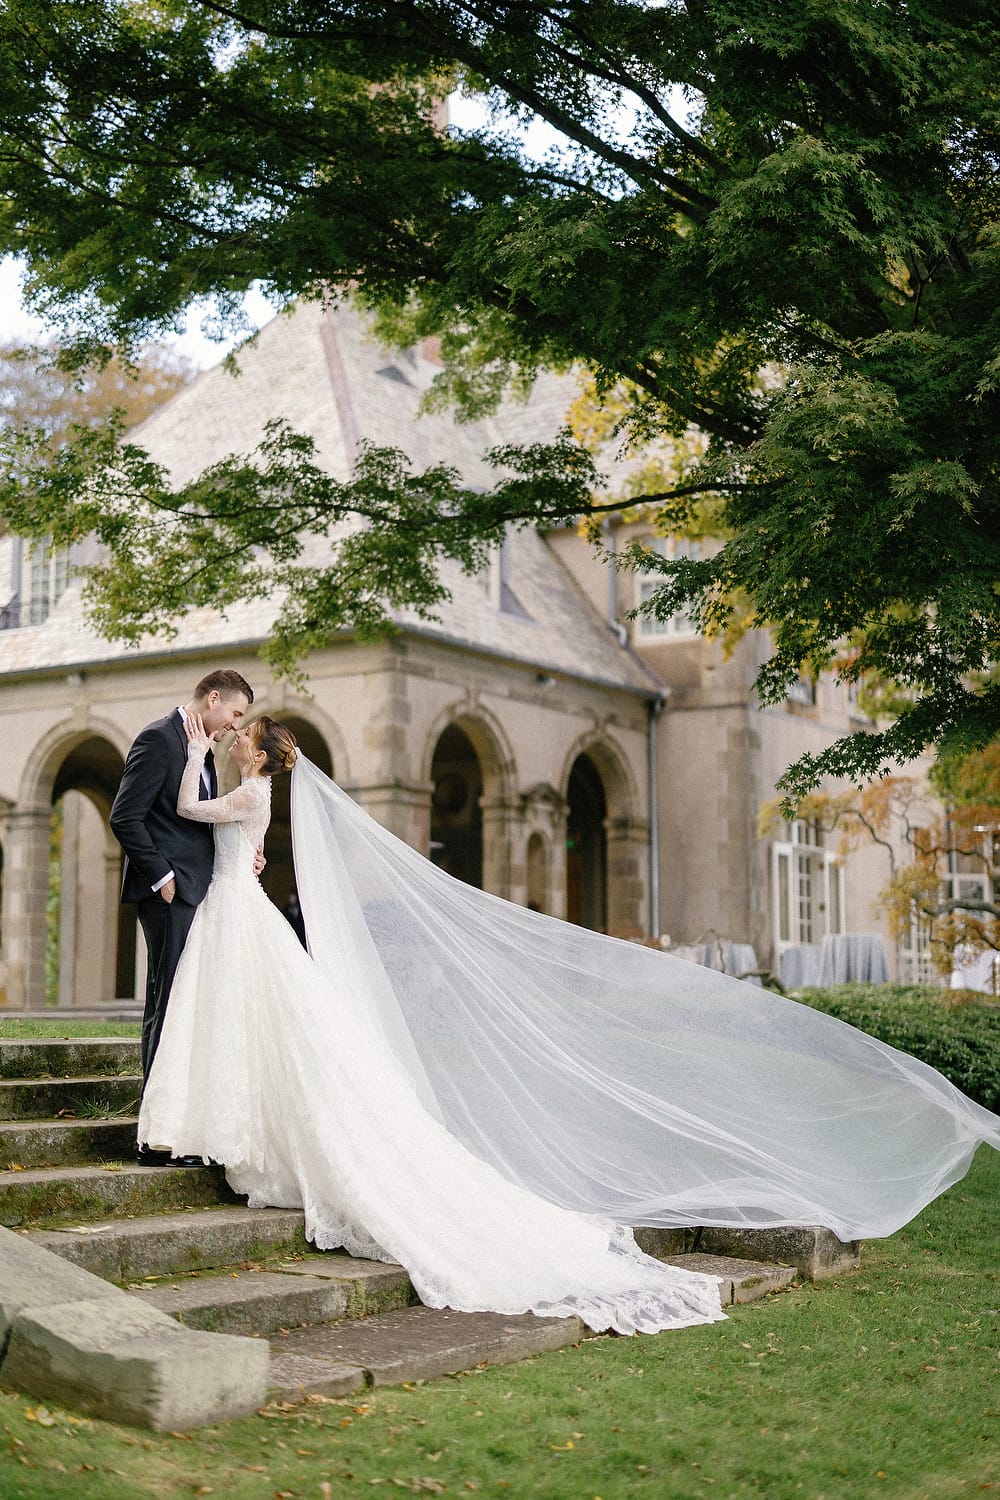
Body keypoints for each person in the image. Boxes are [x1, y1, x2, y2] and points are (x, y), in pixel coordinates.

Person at [139, 714, 1000, 1336]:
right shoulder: (258, 791)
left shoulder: (244, 789)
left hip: (235, 913)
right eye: (234, 729)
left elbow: (191, 808)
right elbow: (229, 836)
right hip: (236, 911)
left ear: (259, 754)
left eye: (243, 733)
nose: (235, 735)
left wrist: (197, 751)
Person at [110, 668, 255, 1166]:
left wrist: (244, 852)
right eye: (235, 713)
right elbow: (125, 816)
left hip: (202, 891)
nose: (236, 725)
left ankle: (175, 1127)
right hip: (170, 894)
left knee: (184, 1006)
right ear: (212, 699)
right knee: (166, 1002)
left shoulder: (204, 750)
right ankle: (153, 1138)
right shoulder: (157, 739)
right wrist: (160, 878)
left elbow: (198, 819)